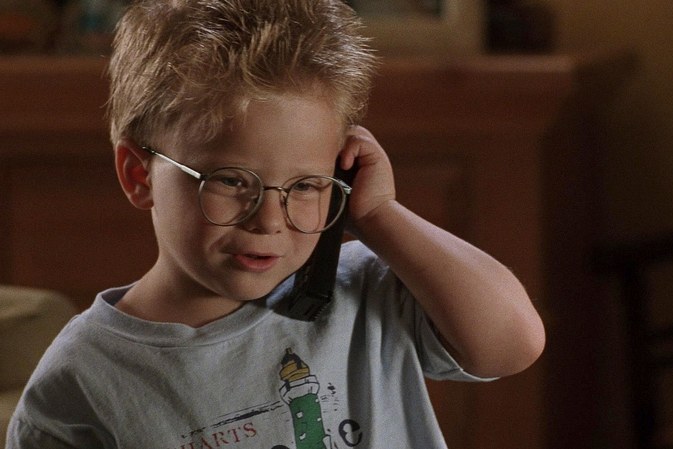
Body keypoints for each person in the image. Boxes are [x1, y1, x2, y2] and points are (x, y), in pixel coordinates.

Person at [6, 0, 545, 447]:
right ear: (138, 174)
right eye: (230, 180)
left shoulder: (366, 287)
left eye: (306, 186)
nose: (268, 220)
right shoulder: (81, 381)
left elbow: (513, 344)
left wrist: (379, 215)